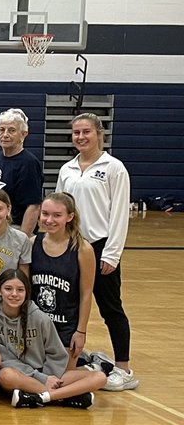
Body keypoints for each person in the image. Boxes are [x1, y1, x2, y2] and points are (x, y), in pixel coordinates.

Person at [55, 111, 137, 390]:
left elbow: (120, 214)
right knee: (68, 305)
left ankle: (124, 368)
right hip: (71, 245)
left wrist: (112, 253)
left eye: (86, 132)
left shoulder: (114, 168)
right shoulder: (67, 169)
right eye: (76, 133)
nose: (80, 137)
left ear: (99, 134)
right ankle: (70, 358)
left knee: (110, 307)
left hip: (100, 246)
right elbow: (59, 207)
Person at [0, 269, 104, 409]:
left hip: (46, 373)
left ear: (27, 292)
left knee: (100, 377)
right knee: (6, 375)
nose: (14, 294)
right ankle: (63, 397)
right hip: (19, 377)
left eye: (20, 290)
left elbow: (56, 353)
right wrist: (41, 378)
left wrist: (49, 377)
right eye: (8, 289)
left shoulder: (40, 318)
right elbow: (4, 359)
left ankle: (40, 397)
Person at [29, 192, 95, 370]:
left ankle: (96, 369)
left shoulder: (82, 249)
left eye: (57, 215)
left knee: (61, 378)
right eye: (45, 214)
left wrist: (81, 331)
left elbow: (86, 294)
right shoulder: (32, 243)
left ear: (70, 217)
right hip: (36, 325)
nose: (49, 220)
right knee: (36, 375)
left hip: (66, 326)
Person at [0, 108, 42, 234]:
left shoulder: (28, 163)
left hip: (12, 231)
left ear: (23, 134)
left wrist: (22, 239)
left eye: (12, 130)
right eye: (2, 130)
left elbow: (33, 206)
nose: (5, 134)